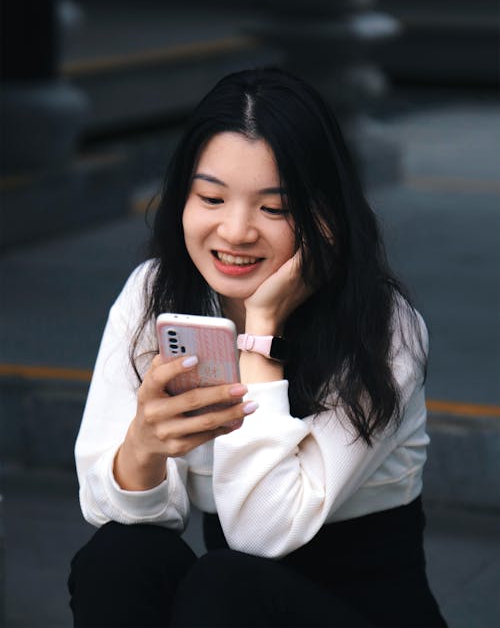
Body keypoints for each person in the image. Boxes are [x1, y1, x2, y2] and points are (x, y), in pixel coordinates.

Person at [68, 67, 447, 628]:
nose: (236, 231)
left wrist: (261, 333)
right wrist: (145, 448)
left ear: (326, 216)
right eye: (211, 198)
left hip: (357, 612)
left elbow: (261, 536)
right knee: (119, 558)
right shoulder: (154, 295)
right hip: (226, 608)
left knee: (227, 581)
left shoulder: (384, 327)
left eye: (275, 208)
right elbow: (127, 515)